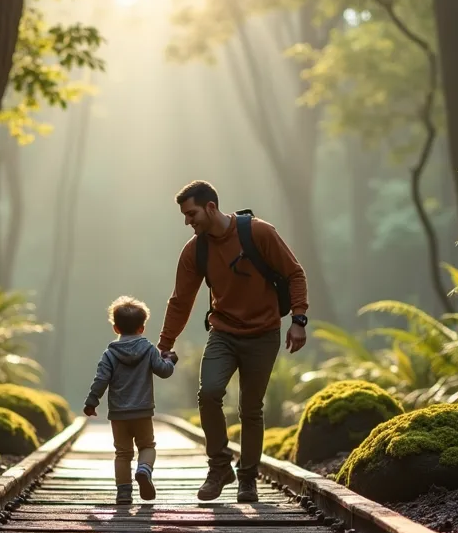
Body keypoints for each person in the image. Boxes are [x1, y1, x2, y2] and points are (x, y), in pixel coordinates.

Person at [157, 180, 309, 503]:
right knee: (209, 392)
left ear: (211, 207)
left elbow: (295, 273)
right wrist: (165, 343)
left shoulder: (258, 233)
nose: (188, 221)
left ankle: (248, 479)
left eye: (191, 213)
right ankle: (219, 467)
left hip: (264, 333)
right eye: (185, 216)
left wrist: (298, 320)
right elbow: (180, 301)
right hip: (223, 333)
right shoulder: (195, 250)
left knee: (251, 408)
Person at [83, 296, 177, 504]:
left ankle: (124, 492)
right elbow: (163, 371)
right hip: (143, 411)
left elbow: (101, 380)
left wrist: (92, 401)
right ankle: (144, 469)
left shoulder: (109, 354)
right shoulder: (150, 349)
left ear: (116, 328)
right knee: (147, 446)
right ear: (142, 328)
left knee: (123, 454)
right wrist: (170, 361)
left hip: (118, 414)